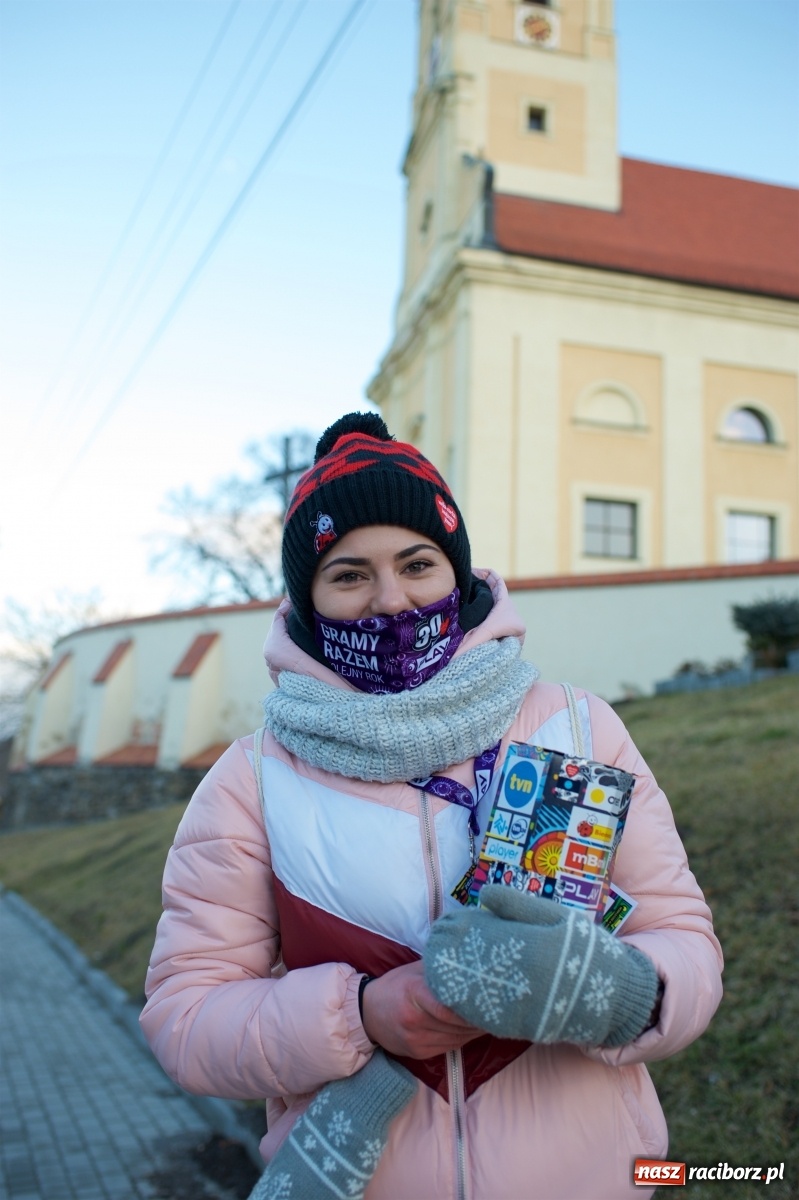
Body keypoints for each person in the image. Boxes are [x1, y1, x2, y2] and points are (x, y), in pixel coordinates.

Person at [141, 412, 723, 1200]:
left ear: (458, 572)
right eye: (348, 574)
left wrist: (617, 993)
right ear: (307, 599)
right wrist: (360, 1018)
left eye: (418, 564)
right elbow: (186, 1018)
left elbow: (683, 942)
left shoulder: (578, 727)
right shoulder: (252, 779)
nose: (391, 600)